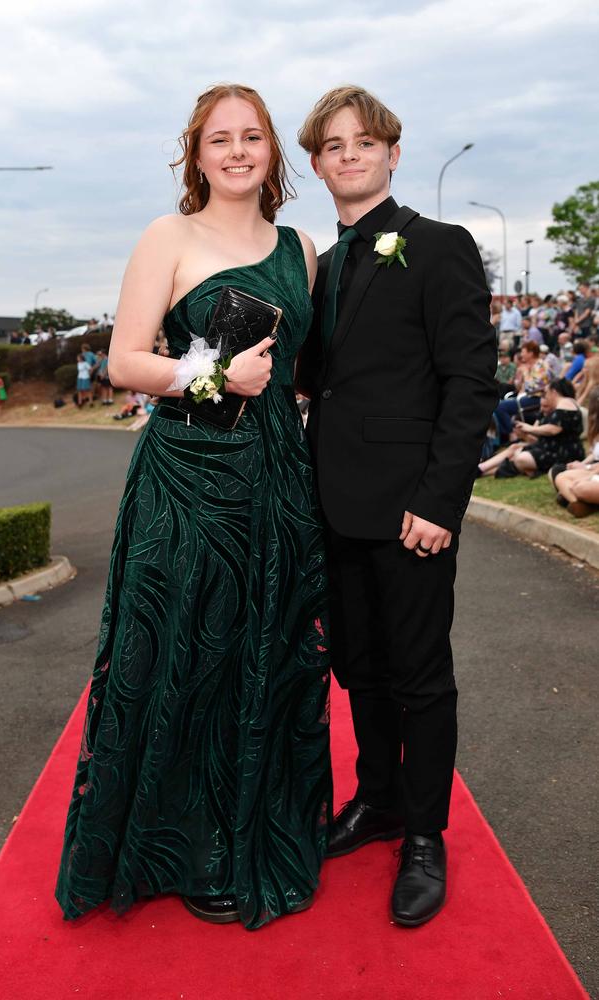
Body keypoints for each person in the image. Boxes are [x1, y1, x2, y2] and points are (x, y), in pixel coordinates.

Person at [55, 83, 331, 931]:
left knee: (266, 648)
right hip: (187, 474)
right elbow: (125, 362)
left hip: (277, 475)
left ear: (273, 153)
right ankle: (176, 846)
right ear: (197, 153)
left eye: (253, 137)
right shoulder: (167, 236)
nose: (238, 150)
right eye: (221, 139)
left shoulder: (303, 248)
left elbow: (303, 373)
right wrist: (214, 377)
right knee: (185, 653)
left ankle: (247, 829)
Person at [296, 85, 497, 928]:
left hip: (412, 509)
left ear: (392, 152)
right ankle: (376, 800)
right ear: (315, 165)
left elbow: (469, 382)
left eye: (363, 142)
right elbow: (318, 381)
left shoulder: (440, 245)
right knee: (359, 670)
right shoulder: (318, 265)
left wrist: (440, 499)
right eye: (332, 147)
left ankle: (423, 835)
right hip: (332, 503)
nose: (349, 156)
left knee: (420, 678)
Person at [477, 379, 584, 478]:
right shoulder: (559, 406)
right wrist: (524, 433)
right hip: (551, 449)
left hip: (563, 453)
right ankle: (480, 469)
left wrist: (529, 429)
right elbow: (541, 434)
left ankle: (480, 470)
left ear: (554, 392)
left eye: (546, 393)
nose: (545, 396)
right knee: (517, 452)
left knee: (519, 457)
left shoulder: (565, 402)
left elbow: (553, 429)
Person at [550, 386, 599, 517]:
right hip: (595, 469)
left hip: (595, 471)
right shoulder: (595, 431)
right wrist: (586, 467)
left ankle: (582, 500)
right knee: (560, 476)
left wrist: (588, 471)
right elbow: (594, 456)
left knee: (579, 487)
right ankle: (581, 504)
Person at [494, 340, 549, 442]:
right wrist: (519, 378)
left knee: (500, 407)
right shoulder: (528, 366)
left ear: (531, 353)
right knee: (498, 405)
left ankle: (512, 434)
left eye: (523, 352)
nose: (521, 354)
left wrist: (525, 373)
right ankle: (509, 434)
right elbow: (520, 387)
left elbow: (535, 387)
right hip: (526, 396)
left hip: (537, 398)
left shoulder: (540, 365)